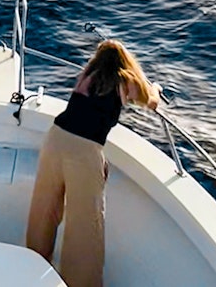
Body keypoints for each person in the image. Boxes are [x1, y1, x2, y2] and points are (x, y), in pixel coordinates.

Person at [25, 39, 161, 287]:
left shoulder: (87, 74)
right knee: (84, 225)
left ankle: (32, 267)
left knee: (44, 210)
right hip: (84, 151)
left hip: (55, 138)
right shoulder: (125, 79)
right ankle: (81, 283)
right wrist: (156, 89)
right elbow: (150, 101)